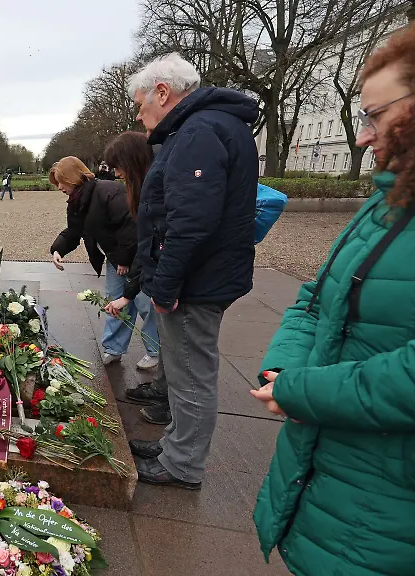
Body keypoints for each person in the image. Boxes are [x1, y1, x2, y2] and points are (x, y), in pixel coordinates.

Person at [250, 14, 415, 575]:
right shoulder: (388, 203)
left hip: (398, 510)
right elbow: (316, 296)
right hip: (334, 479)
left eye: (375, 115)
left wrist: (305, 391)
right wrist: (280, 373)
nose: (361, 134)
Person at [120, 53, 259, 490]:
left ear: (163, 93)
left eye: (141, 107)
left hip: (196, 282)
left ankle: (182, 464)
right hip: (206, 275)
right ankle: (173, 444)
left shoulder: (198, 131)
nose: (142, 119)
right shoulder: (210, 126)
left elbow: (189, 220)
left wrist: (165, 286)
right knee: (183, 372)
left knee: (189, 374)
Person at [49, 156, 159, 369]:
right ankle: (114, 348)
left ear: (72, 177)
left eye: (61, 182)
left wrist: (125, 258)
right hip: (116, 258)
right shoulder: (77, 200)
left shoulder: (108, 191)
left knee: (145, 305)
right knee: (114, 302)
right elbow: (74, 230)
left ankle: (156, 350)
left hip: (134, 258)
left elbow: (131, 226)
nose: (59, 187)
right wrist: (58, 248)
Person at [103, 131, 170, 424]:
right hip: (157, 269)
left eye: (119, 166)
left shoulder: (156, 187)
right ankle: (163, 390)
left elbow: (150, 243)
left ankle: (176, 435)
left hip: (176, 276)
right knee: (172, 341)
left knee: (184, 354)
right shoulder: (144, 187)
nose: (116, 173)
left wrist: (128, 294)